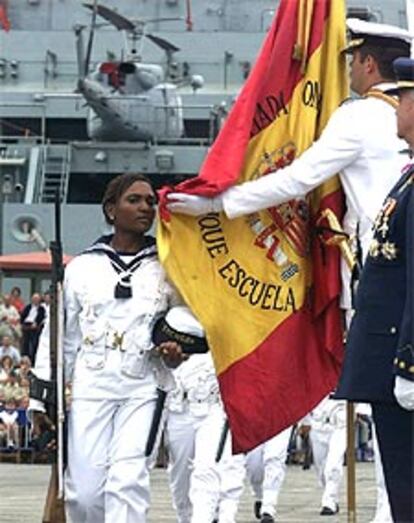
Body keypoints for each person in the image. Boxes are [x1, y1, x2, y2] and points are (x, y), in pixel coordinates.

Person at [166, 19, 412, 307]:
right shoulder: (399, 113)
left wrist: (217, 204)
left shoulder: (358, 116)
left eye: (353, 60)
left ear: (368, 63)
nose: (349, 69)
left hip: (378, 267)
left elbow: (298, 179)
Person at [30, 172, 189, 523]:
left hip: (143, 386)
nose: (145, 207)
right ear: (111, 210)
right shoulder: (82, 269)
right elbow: (60, 337)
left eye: (150, 201)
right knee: (83, 495)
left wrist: (178, 352)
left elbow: (185, 327)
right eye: (134, 200)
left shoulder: (169, 267)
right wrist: (41, 398)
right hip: (92, 388)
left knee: (126, 482)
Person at [334, 57, 414, 523]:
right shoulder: (407, 178)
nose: (395, 108)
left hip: (400, 365)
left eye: (401, 97)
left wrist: (409, 364)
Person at [165, 340, 244, 523]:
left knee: (208, 469)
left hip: (214, 403)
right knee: (180, 477)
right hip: (179, 405)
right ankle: (185, 518)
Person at [299, 396, 347, 516]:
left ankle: (329, 501)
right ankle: (331, 494)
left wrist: (357, 410)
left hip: (340, 422)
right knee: (320, 468)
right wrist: (304, 421)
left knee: (333, 464)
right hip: (317, 422)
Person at [245, 427, 292, 523]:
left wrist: (305, 421)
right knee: (254, 464)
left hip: (281, 418)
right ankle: (259, 494)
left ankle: (268, 507)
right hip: (254, 419)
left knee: (274, 459)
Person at [20, 292, 45, 364]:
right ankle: (24, 358)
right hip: (26, 324)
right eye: (34, 299)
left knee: (33, 344)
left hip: (35, 326)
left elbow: (41, 317)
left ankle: (32, 359)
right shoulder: (28, 307)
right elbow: (23, 316)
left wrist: (36, 323)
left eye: (37, 299)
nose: (35, 300)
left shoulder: (41, 309)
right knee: (25, 343)